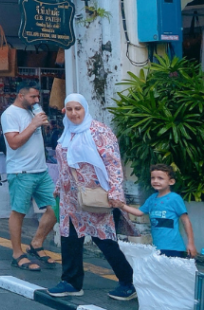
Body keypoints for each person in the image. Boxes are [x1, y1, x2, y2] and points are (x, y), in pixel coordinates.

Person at [47, 94, 136, 301]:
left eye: (77, 108)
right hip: (71, 198)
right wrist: (59, 185)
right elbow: (65, 164)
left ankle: (128, 282)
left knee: (104, 239)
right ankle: (71, 282)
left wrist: (115, 192)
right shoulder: (67, 133)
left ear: (85, 109)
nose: (74, 113)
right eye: (69, 109)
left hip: (95, 195)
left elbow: (113, 164)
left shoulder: (100, 131)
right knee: (69, 238)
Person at [1, 84, 57, 272]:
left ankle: (36, 243)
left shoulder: (33, 112)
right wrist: (33, 125)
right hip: (21, 172)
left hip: (40, 170)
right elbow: (14, 143)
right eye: (33, 97)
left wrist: (40, 124)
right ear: (21, 96)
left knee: (57, 206)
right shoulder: (10, 114)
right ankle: (17, 253)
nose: (36, 101)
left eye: (38, 97)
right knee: (19, 211)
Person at [119, 163, 197, 259]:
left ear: (171, 181)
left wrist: (191, 243)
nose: (155, 181)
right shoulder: (152, 199)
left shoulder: (174, 198)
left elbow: (186, 221)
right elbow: (139, 212)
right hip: (157, 247)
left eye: (160, 178)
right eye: (153, 178)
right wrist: (122, 206)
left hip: (174, 248)